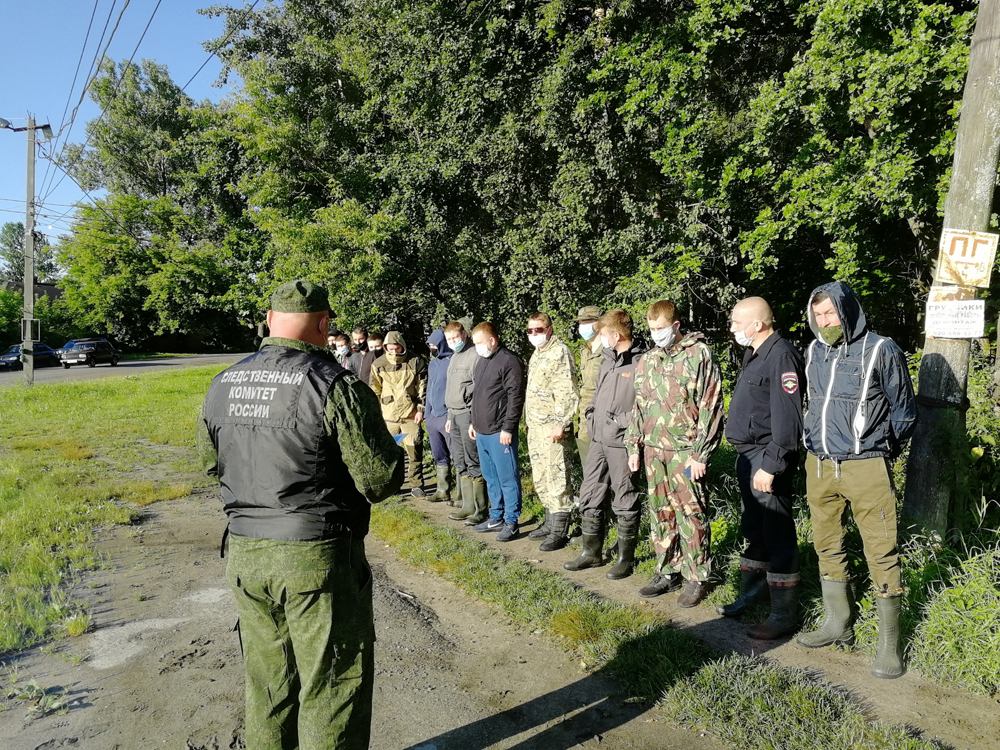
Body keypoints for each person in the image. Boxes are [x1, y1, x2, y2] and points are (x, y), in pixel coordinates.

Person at [197, 280, 404, 750]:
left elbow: (210, 463)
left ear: (270, 320)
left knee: (268, 684)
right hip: (316, 557)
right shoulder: (334, 385)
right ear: (325, 323)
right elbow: (379, 480)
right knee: (332, 684)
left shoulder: (223, 382)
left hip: (246, 555)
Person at [796, 282, 916, 679]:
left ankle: (888, 645)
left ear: (847, 311)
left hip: (866, 466)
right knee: (827, 544)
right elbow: (811, 402)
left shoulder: (882, 349)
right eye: (818, 315)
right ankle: (838, 623)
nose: (824, 321)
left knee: (881, 550)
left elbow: (903, 411)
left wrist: (878, 449)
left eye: (830, 313)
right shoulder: (814, 351)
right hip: (819, 464)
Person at [626, 300, 723, 606]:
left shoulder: (698, 355)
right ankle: (668, 570)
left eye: (661, 329)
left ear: (676, 326)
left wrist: (701, 454)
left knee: (691, 514)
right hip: (655, 451)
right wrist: (634, 445)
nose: (656, 335)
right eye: (652, 329)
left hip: (685, 452)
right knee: (660, 513)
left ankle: (697, 577)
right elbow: (638, 406)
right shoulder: (648, 360)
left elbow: (711, 407)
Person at [719, 297, 804, 639]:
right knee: (755, 528)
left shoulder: (780, 354)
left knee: (778, 534)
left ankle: (783, 615)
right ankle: (752, 596)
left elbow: (787, 418)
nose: (733, 328)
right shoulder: (754, 352)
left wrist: (771, 465)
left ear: (757, 324)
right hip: (749, 456)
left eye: (738, 322)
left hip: (767, 458)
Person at [565, 310, 646, 579]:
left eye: (602, 333)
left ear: (616, 335)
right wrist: (591, 416)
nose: (599, 337)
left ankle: (625, 559)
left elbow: (644, 406)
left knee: (624, 497)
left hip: (621, 441)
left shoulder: (641, 361)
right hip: (598, 438)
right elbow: (596, 395)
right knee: (590, 492)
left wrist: (615, 423)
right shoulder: (606, 359)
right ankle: (592, 553)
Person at [524, 312, 579, 551]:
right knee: (542, 476)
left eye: (539, 329)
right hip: (536, 427)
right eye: (531, 331)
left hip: (552, 427)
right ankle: (549, 522)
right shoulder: (538, 354)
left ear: (550, 328)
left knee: (557, 476)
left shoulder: (560, 352)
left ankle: (560, 529)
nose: (535, 334)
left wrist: (562, 422)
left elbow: (567, 390)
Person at [469, 322, 525, 542]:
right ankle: (496, 516)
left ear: (492, 340)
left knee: (507, 477)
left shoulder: (509, 360)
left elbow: (515, 397)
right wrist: (474, 422)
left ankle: (512, 521)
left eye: (479, 343)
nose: (477, 348)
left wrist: (508, 427)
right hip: (482, 430)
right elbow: (479, 395)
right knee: (490, 477)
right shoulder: (483, 361)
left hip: (500, 432)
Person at [371, 331, 428, 499]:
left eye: (397, 348)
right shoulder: (378, 364)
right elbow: (375, 390)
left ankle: (416, 485)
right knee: (390, 454)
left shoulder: (416, 361)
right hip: (389, 416)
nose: (394, 352)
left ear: (402, 346)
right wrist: (376, 413)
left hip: (410, 414)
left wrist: (421, 409)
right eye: (390, 349)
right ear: (385, 348)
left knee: (414, 450)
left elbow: (423, 387)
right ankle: (393, 486)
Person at [443, 320, 489, 524]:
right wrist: (448, 417)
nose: (453, 342)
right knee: (459, 461)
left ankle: (481, 509)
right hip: (453, 414)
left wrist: (473, 419)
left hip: (467, 415)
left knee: (473, 461)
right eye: (449, 339)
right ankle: (467, 505)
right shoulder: (453, 357)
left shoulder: (474, 355)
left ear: (464, 335)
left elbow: (478, 389)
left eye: (455, 338)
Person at [425, 328, 455, 502]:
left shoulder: (452, 361)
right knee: (438, 454)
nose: (432, 348)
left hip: (446, 414)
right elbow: (429, 388)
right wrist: (427, 414)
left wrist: (449, 414)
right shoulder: (432, 363)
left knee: (455, 454)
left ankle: (461, 494)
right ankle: (442, 490)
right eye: (429, 345)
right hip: (432, 417)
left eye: (434, 344)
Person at [575, 305, 604, 469]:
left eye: (588, 321)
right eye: (581, 322)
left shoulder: (608, 351)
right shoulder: (585, 351)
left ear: (599, 323)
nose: (583, 326)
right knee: (588, 469)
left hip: (602, 420)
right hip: (585, 420)